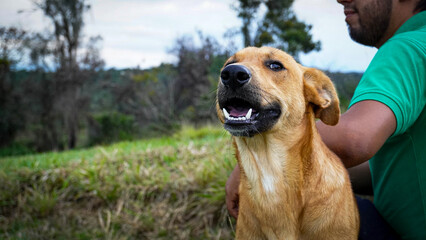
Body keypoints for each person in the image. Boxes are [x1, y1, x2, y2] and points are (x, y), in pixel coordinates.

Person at [225, 0, 426, 239]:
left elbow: (354, 140)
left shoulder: (406, 48)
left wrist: (257, 163)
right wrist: (307, 173)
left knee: (325, 209)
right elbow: (395, 169)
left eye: (274, 66)